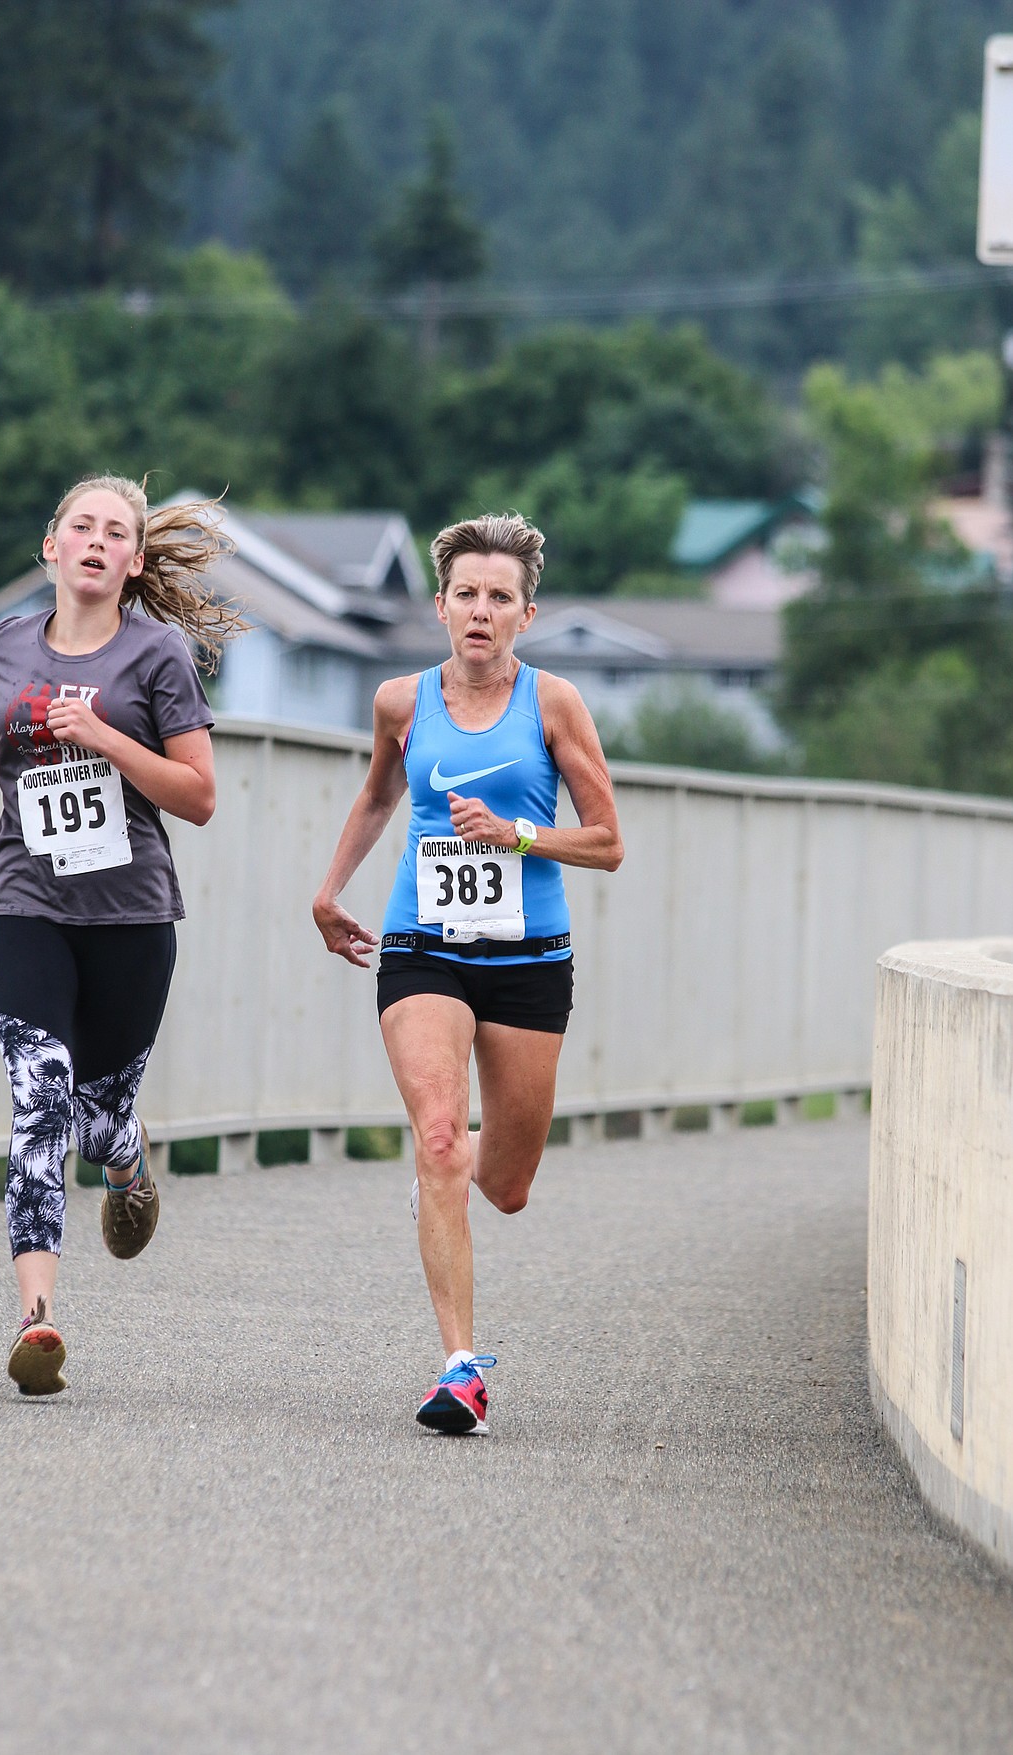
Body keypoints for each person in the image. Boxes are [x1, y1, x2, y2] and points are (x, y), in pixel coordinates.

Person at [313, 511, 623, 1435]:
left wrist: (520, 833)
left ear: (526, 615)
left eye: (501, 598)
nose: (481, 611)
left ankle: (442, 1178)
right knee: (442, 1133)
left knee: (510, 1179)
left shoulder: (555, 704)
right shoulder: (401, 702)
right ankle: (459, 1369)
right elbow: (379, 796)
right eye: (467, 596)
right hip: (424, 948)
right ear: (440, 605)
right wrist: (331, 889)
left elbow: (608, 843)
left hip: (529, 959)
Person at [0, 474, 243, 1396]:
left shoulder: (158, 658)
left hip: (131, 919)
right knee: (41, 1094)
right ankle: (37, 1319)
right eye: (83, 527)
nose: (99, 542)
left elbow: (199, 795)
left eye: (117, 532)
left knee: (96, 1113)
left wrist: (105, 738)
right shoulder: (4, 643)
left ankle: (126, 1152)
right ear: (52, 548)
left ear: (135, 560)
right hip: (23, 901)